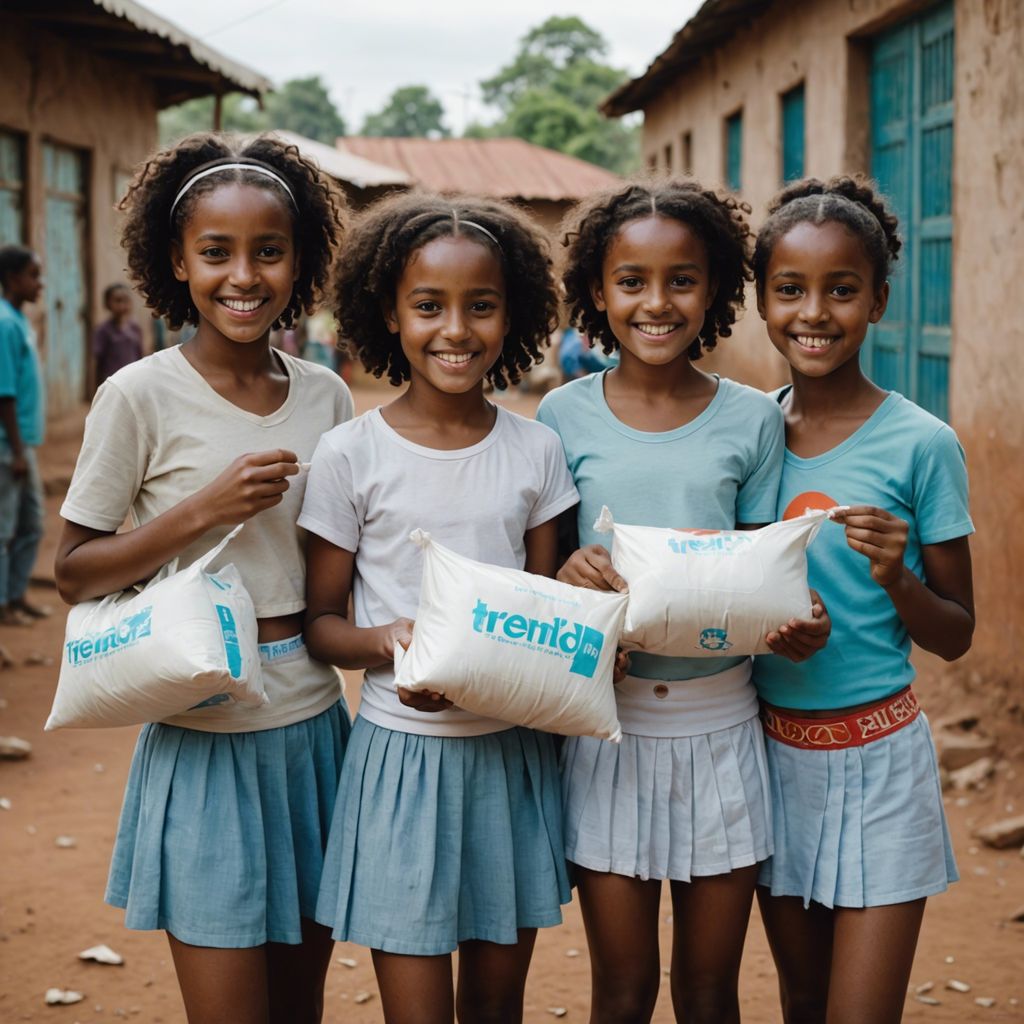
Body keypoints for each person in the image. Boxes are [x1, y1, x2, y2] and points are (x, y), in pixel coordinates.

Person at [53, 133, 352, 1024]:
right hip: (202, 732)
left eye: (269, 251)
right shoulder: (138, 396)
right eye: (216, 252)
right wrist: (201, 509)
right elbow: (73, 570)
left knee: (302, 1006)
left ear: (299, 261)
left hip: (312, 731)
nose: (244, 276)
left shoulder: (326, 395)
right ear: (177, 262)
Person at [536, 179, 830, 1024]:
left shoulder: (750, 420)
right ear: (598, 291)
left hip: (721, 728)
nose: (656, 303)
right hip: (608, 732)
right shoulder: (562, 416)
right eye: (631, 281)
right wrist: (568, 577)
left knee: (709, 992)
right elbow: (547, 567)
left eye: (683, 280)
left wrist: (795, 626)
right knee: (622, 990)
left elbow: (760, 566)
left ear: (718, 290)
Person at [300, 193, 577, 1024]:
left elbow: (549, 612)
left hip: (509, 757)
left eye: (480, 306)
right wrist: (389, 642)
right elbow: (322, 627)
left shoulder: (536, 451)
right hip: (403, 762)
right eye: (428, 306)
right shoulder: (351, 453)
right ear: (389, 312)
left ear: (512, 316)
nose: (455, 329)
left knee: (498, 1006)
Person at [751, 176, 974, 1024]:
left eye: (842, 290)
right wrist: (767, 635)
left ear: (878, 300)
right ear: (762, 302)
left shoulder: (923, 444)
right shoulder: (750, 435)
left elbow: (955, 635)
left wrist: (895, 578)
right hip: (769, 758)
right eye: (790, 290)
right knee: (802, 1001)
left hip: (880, 764)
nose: (815, 312)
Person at [0, 245, 46, 627]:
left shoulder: (17, 320)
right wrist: (16, 449)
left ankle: (15, 596)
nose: (40, 283)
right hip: (8, 444)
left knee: (31, 525)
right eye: (33, 275)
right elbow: (4, 392)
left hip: (21, 443)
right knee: (5, 526)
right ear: (13, 279)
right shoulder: (2, 322)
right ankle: (4, 603)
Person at [93, 283, 143, 386]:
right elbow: (98, 363)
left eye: (125, 300)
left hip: (132, 382)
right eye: (117, 301)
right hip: (112, 384)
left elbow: (140, 357)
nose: (122, 305)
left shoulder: (135, 329)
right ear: (107, 304)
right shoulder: (103, 330)